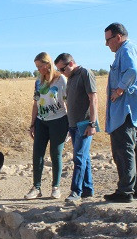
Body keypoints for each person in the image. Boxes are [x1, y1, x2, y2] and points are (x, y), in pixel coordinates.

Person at [104, 22, 137, 203]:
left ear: (118, 37)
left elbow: (132, 70)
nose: (107, 45)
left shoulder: (126, 50)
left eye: (108, 40)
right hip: (133, 112)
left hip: (125, 111)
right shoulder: (132, 49)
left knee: (123, 151)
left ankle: (125, 191)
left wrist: (119, 90)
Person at [53, 53, 98, 204]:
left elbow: (93, 99)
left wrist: (92, 123)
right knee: (84, 157)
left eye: (62, 69)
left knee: (78, 157)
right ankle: (87, 189)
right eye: (59, 70)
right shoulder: (70, 77)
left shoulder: (85, 73)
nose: (61, 73)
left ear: (71, 63)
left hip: (84, 124)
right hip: (72, 125)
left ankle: (76, 191)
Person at [25, 52, 69, 200]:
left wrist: (70, 125)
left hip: (59, 120)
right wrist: (32, 124)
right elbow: (35, 103)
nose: (38, 69)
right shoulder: (38, 82)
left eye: (39, 66)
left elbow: (67, 101)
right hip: (41, 121)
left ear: (47, 64)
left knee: (55, 154)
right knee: (37, 154)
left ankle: (55, 187)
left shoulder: (61, 79)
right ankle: (36, 187)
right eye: (36, 66)